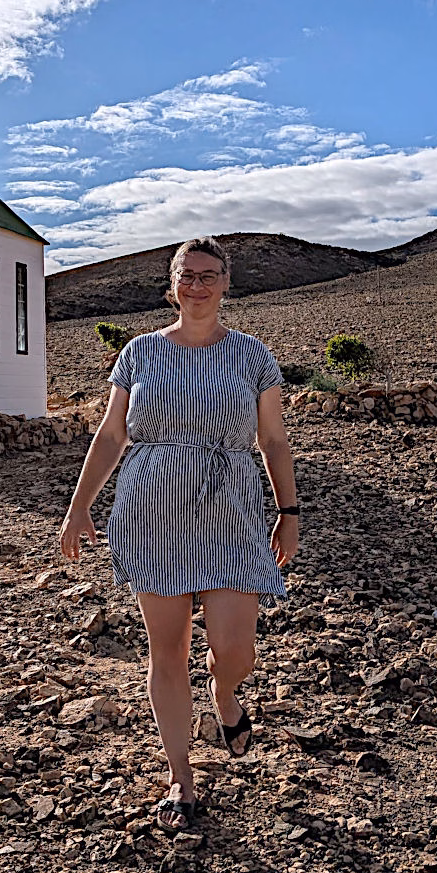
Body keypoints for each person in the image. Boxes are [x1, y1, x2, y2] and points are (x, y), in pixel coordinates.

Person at [58, 236, 300, 830]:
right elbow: (113, 434)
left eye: (209, 274)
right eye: (187, 274)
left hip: (231, 512)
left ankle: (224, 694)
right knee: (167, 652)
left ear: (226, 284)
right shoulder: (138, 354)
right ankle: (180, 779)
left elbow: (271, 440)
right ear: (171, 284)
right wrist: (80, 505)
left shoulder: (252, 356)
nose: (197, 284)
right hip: (153, 512)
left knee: (234, 648)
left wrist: (288, 511)